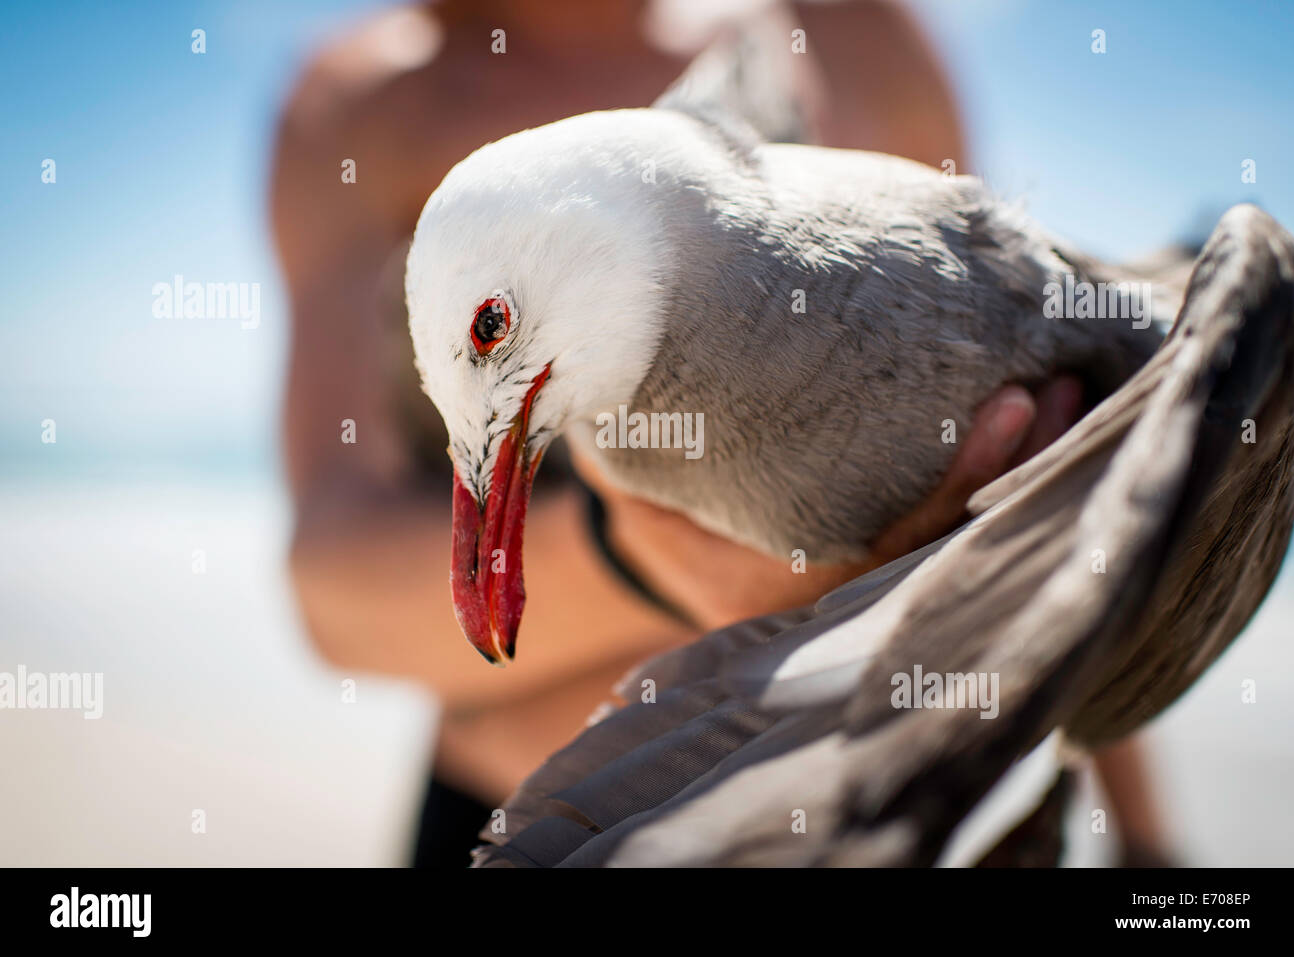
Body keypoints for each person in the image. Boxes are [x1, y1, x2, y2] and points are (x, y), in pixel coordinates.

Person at [271, 0, 1164, 867]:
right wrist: (651, 556)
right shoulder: (367, 100)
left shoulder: (848, 30)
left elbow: (1045, 404)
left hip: (887, 814)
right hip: (533, 823)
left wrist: (1145, 834)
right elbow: (336, 598)